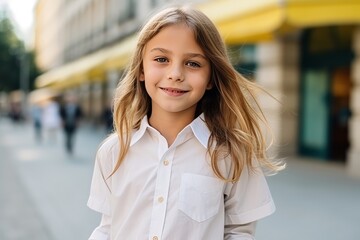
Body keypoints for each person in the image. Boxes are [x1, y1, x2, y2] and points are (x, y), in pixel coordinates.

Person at [87, 6, 284, 240]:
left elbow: (239, 232)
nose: (175, 74)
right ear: (141, 70)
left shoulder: (233, 153)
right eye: (161, 59)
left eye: (193, 63)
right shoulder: (113, 152)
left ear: (210, 78)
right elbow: (109, 227)